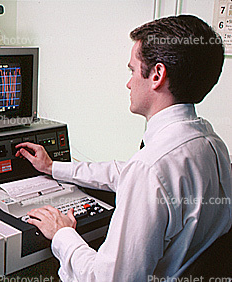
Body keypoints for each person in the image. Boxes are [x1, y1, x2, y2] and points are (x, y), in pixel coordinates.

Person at [15, 15, 232, 281]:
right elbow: (126, 173)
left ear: (157, 75)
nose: (129, 82)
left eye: (132, 70)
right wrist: (53, 167)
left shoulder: (151, 168)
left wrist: (62, 234)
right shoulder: (210, 142)